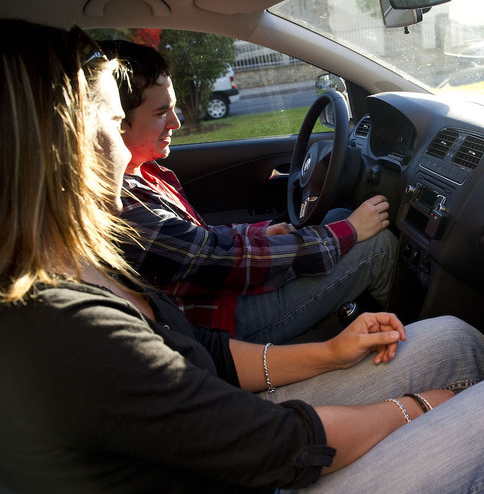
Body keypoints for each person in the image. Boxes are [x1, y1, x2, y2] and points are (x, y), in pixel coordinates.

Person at [0, 17, 484, 494]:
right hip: (256, 468)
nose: (123, 144)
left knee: (453, 339)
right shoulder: (57, 326)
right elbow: (279, 446)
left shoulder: (70, 264)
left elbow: (199, 356)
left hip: (220, 438)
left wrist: (330, 351)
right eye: (106, 118)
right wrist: (426, 406)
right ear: (57, 148)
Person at [97, 39, 397, 344]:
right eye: (162, 113)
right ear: (113, 122)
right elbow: (221, 260)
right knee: (378, 244)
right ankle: (408, 340)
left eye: (174, 109)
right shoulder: (127, 207)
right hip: (222, 325)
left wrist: (260, 233)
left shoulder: (147, 172)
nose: (176, 122)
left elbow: (201, 240)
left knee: (340, 215)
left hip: (219, 296)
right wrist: (347, 232)